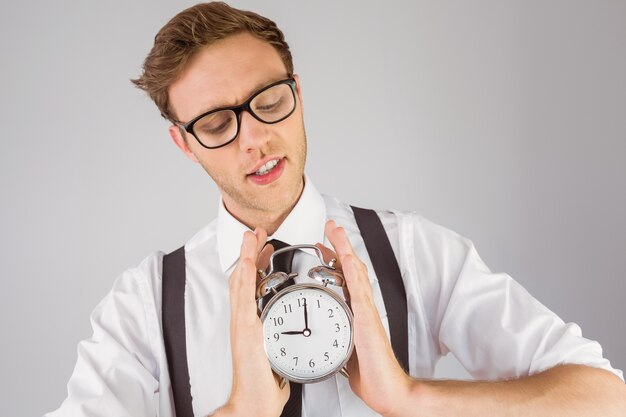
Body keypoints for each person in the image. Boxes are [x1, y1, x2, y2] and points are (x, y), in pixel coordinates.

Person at [46, 2, 626, 417]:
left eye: (269, 101)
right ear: (184, 143)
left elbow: (606, 396)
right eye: (218, 123)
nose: (255, 139)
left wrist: (410, 399)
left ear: (298, 93)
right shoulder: (145, 301)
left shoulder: (414, 252)